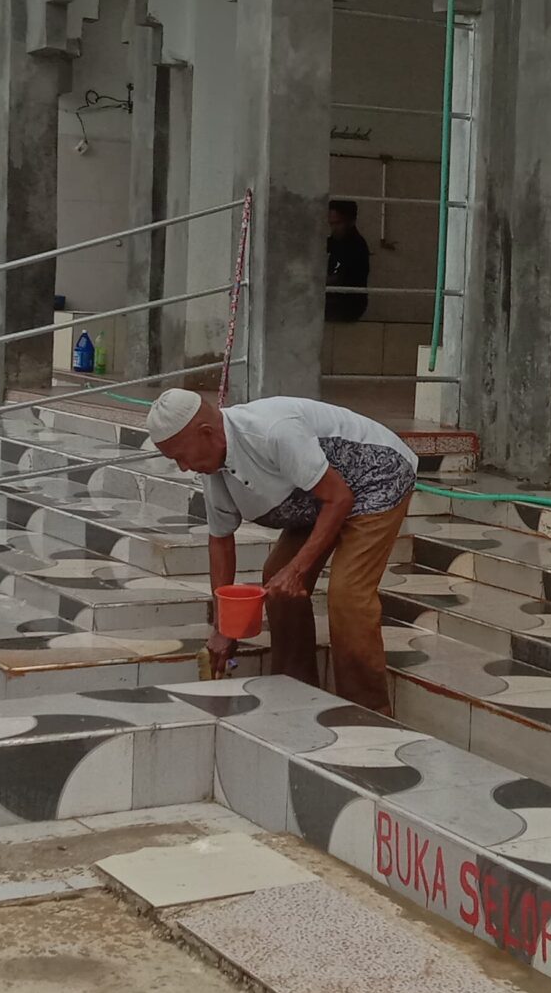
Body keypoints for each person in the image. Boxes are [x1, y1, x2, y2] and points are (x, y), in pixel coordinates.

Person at [148, 387, 416, 713]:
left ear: (206, 432)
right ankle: (298, 692)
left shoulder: (272, 431)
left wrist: (299, 569)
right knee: (277, 579)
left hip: (377, 478)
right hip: (319, 498)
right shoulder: (212, 469)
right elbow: (220, 540)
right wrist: (224, 627)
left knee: (348, 596)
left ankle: (368, 714)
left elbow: (340, 498)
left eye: (180, 456)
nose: (183, 467)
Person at [325, 200, 371, 324]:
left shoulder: (356, 246)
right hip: (335, 300)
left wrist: (313, 282)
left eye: (338, 223)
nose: (334, 228)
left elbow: (338, 279)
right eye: (331, 224)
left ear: (351, 221)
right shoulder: (335, 241)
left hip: (347, 304)